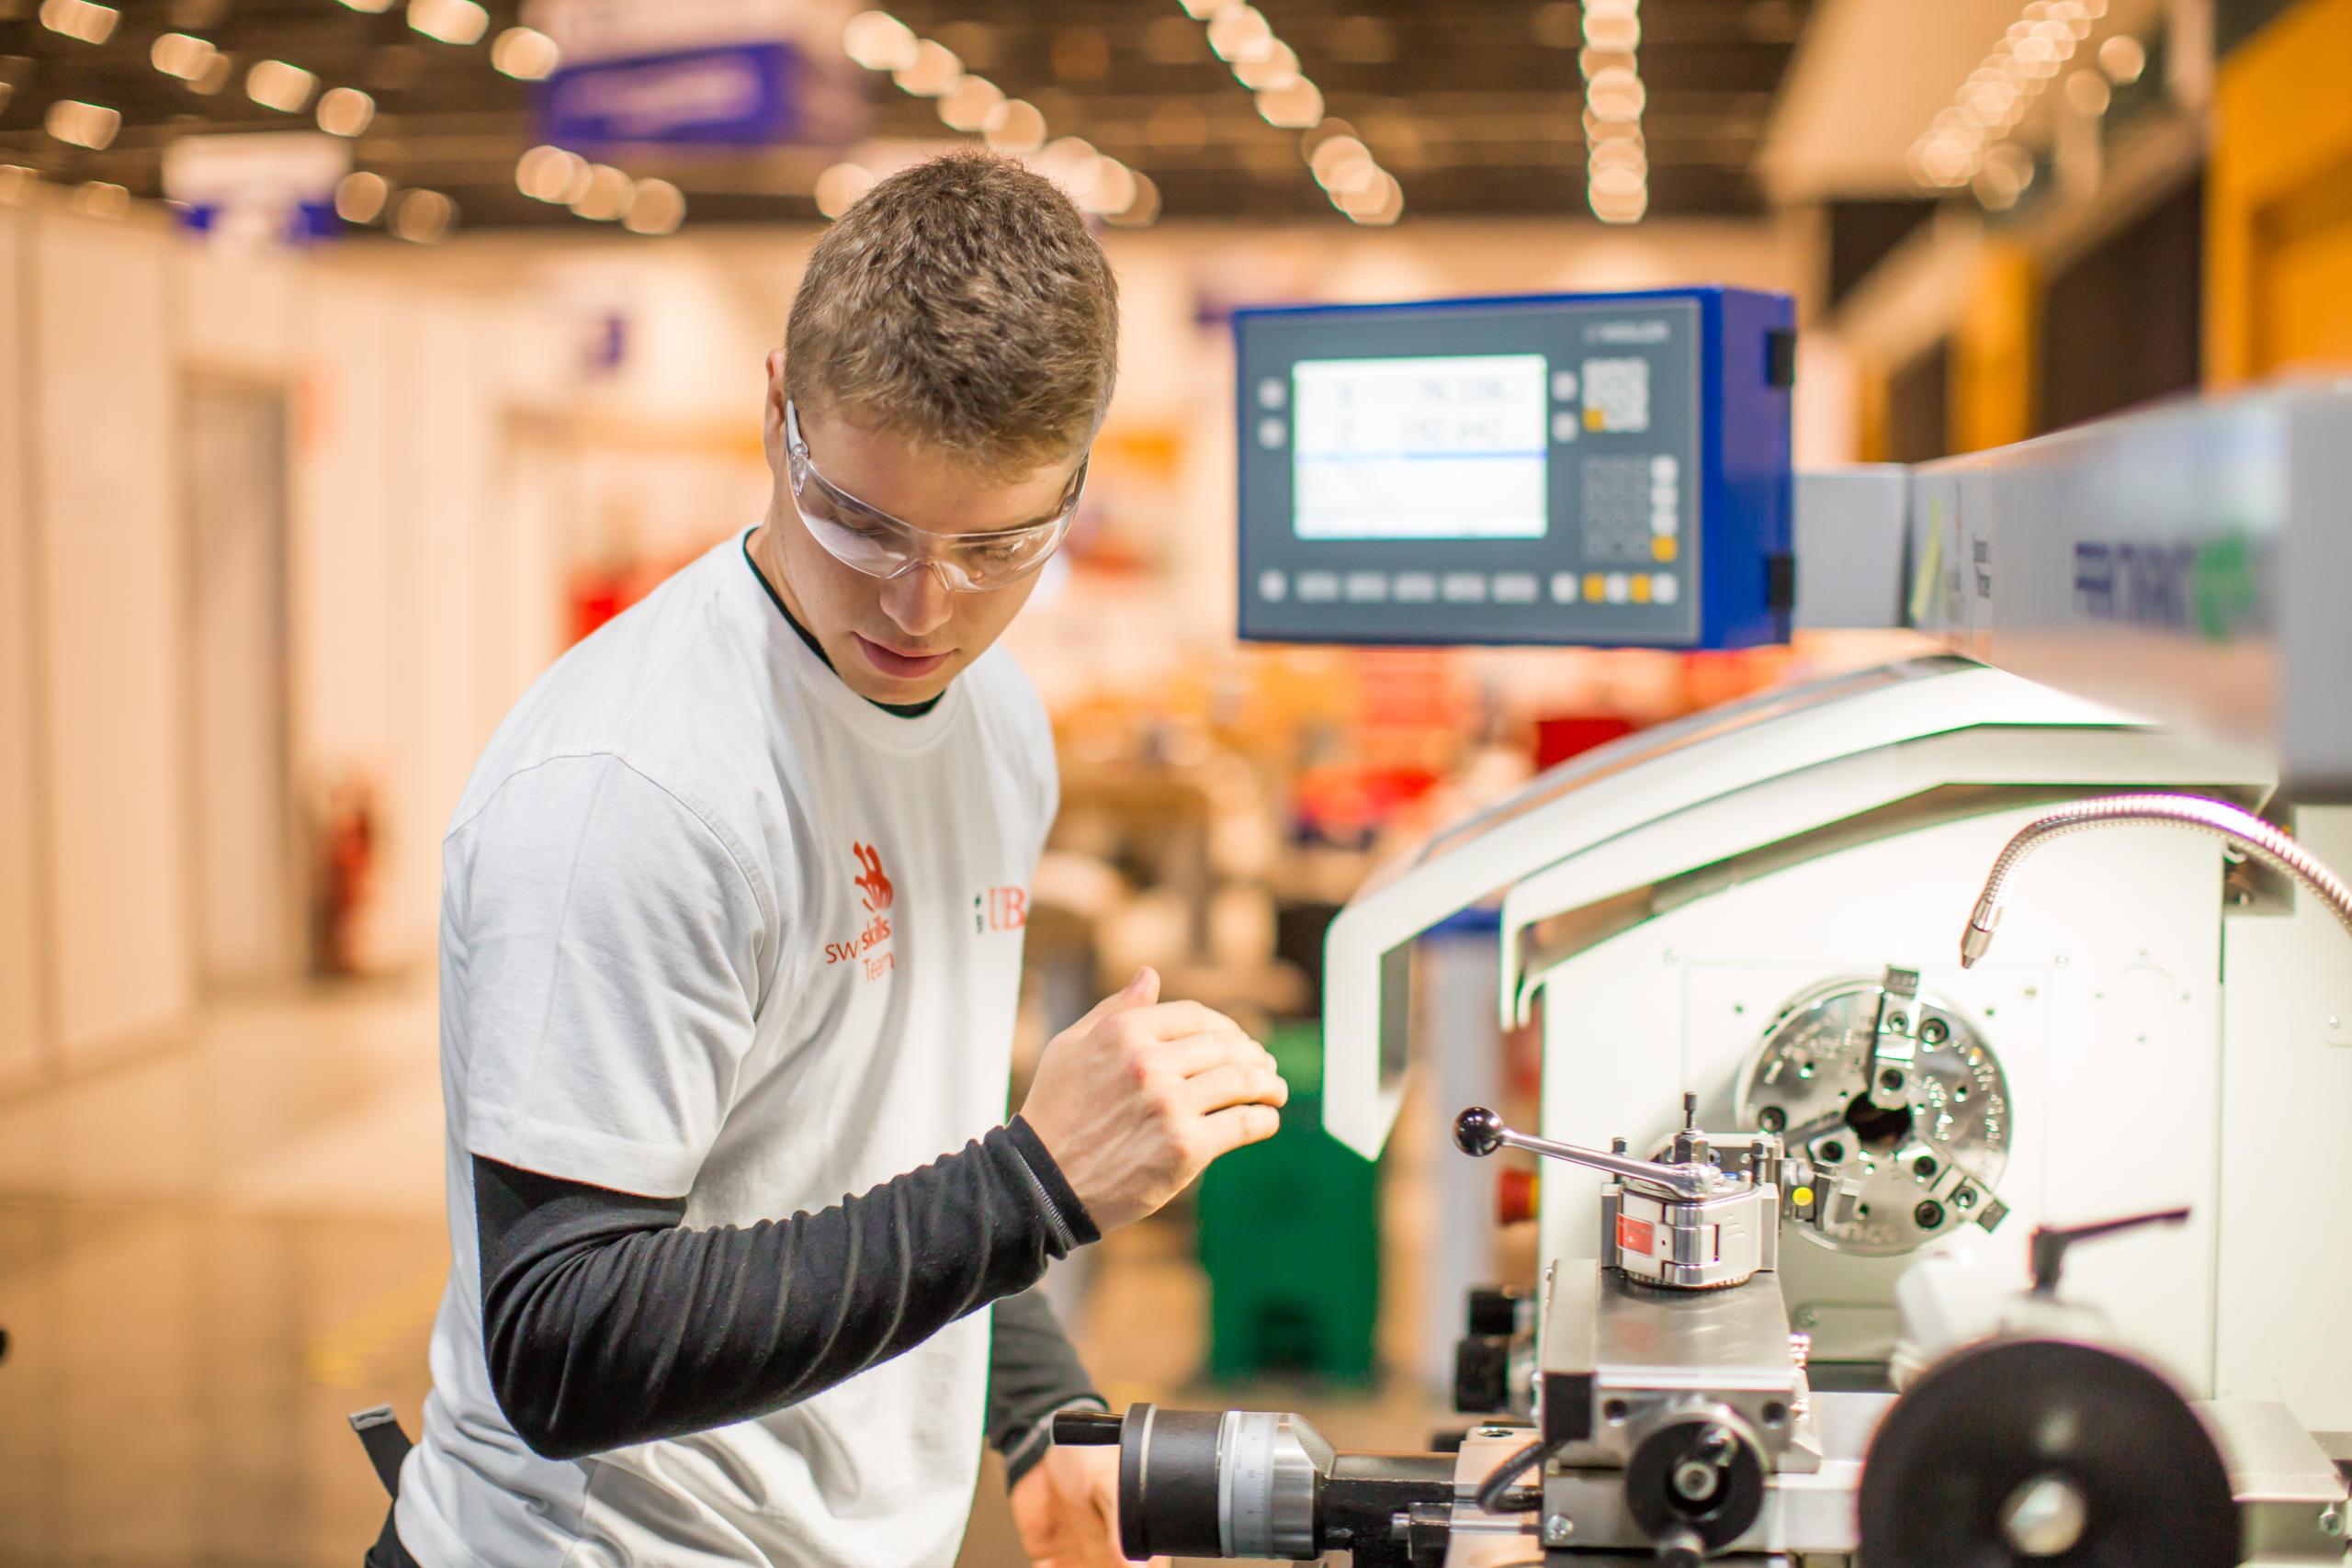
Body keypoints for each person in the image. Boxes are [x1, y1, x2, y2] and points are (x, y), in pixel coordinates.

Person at [374, 152, 1290, 1568]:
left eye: (1000, 544)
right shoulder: (634, 792)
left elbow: (885, 1142)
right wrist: (1035, 1188)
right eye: (860, 521)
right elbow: (560, 1349)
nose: (923, 606)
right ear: (774, 415)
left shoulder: (995, 721)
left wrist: (1040, 1413)